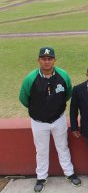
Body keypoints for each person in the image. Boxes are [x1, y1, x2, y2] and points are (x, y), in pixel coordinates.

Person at [19, 47, 81, 193]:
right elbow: (24, 99)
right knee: (41, 150)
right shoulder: (30, 78)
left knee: (63, 147)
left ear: (54, 60)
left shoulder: (63, 75)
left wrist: (55, 107)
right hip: (39, 122)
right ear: (38, 60)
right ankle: (41, 177)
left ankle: (69, 173)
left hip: (58, 119)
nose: (47, 61)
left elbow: (68, 93)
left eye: (50, 58)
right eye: (44, 59)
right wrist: (39, 110)